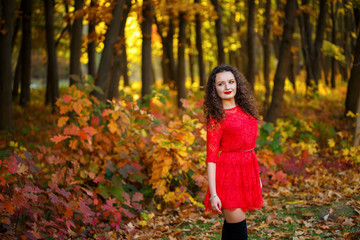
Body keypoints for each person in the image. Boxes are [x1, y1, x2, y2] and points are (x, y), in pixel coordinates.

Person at [203, 65, 263, 240]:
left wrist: (256, 176)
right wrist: (213, 194)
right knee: (239, 231)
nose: (227, 87)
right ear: (214, 89)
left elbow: (249, 146)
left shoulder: (247, 111)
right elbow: (211, 159)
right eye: (221, 84)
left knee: (231, 229)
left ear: (238, 84)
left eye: (231, 82)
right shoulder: (217, 119)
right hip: (228, 176)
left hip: (247, 172)